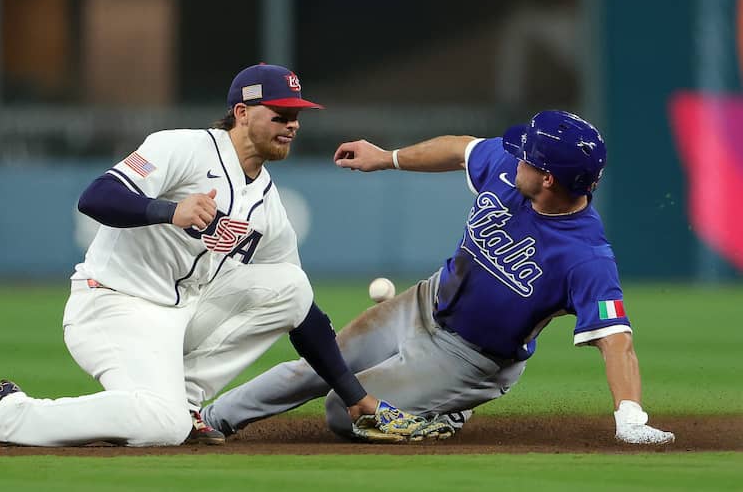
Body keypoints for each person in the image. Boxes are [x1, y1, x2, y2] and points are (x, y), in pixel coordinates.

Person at [0, 64, 437, 447]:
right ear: (242, 112)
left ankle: (185, 404)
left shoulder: (269, 204)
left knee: (291, 288)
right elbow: (96, 197)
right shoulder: (183, 148)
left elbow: (301, 316)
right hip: (113, 305)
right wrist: (168, 211)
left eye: (298, 117)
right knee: (159, 426)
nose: (292, 125)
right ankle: (4, 413)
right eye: (281, 114)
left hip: (177, 316)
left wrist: (358, 401)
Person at [203, 110, 675, 445]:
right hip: (424, 302)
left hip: (471, 359)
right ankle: (207, 419)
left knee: (343, 414)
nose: (516, 156)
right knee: (321, 369)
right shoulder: (511, 170)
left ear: (550, 179)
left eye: (528, 156)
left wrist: (630, 417)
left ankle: (446, 413)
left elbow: (616, 339)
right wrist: (386, 157)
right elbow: (461, 149)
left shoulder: (586, 257)